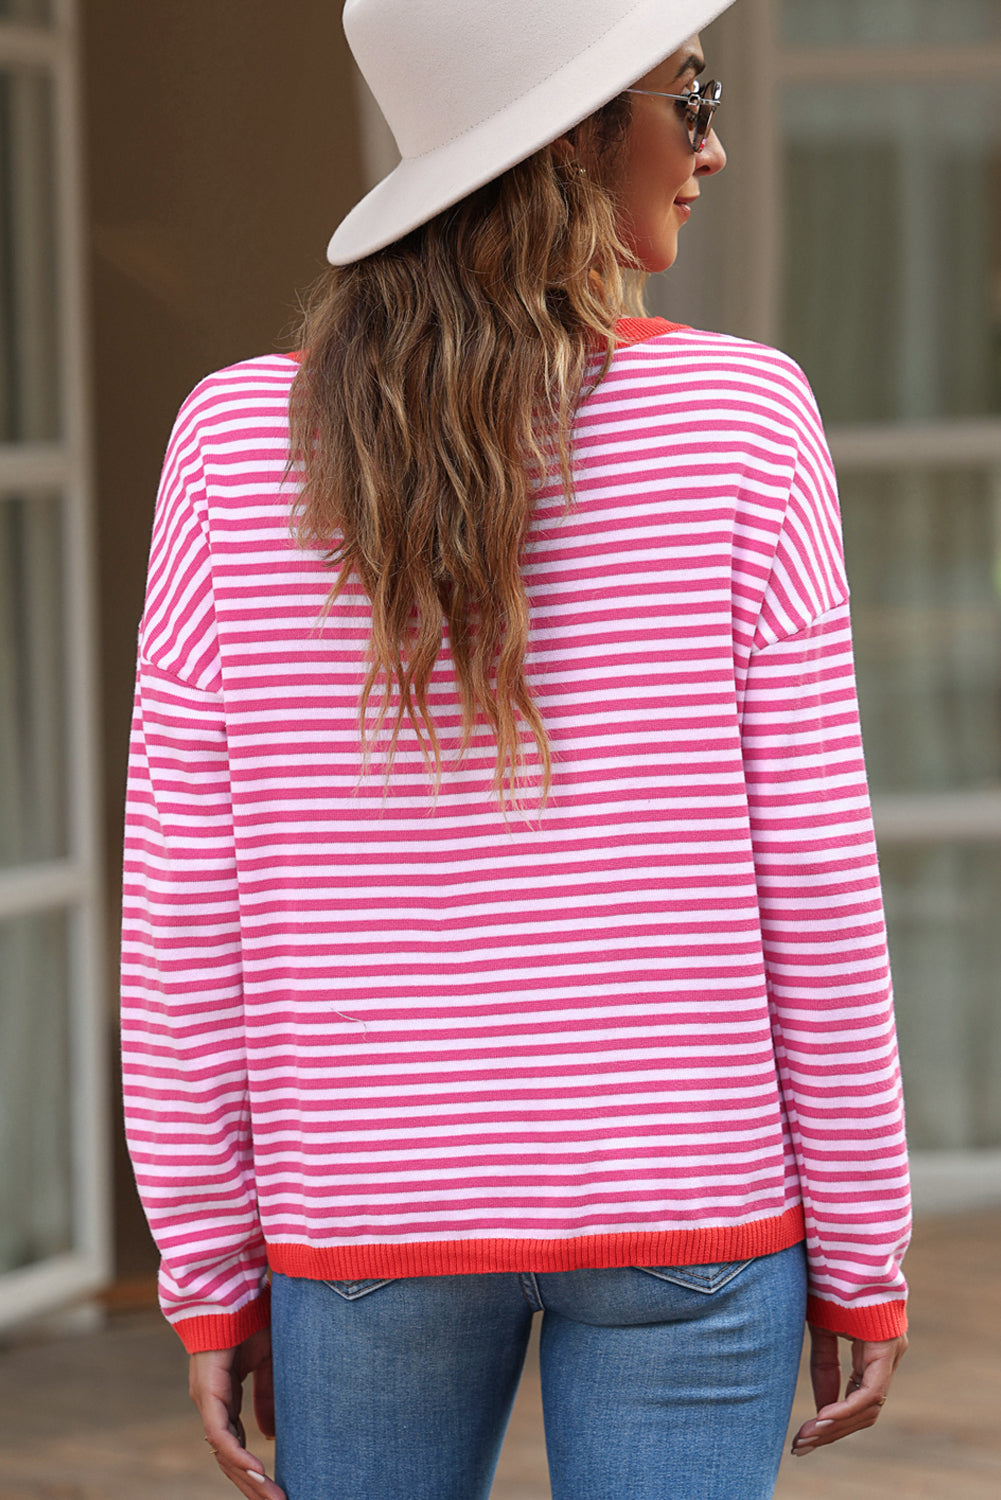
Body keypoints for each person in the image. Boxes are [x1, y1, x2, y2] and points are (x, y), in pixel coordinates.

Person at [120, 2, 911, 1496]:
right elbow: (816, 873)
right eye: (692, 99)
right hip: (689, 1205)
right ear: (575, 136)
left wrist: (208, 1270)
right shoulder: (747, 420)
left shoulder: (230, 444)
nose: (714, 149)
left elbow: (182, 909)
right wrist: (863, 1246)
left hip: (364, 1218)